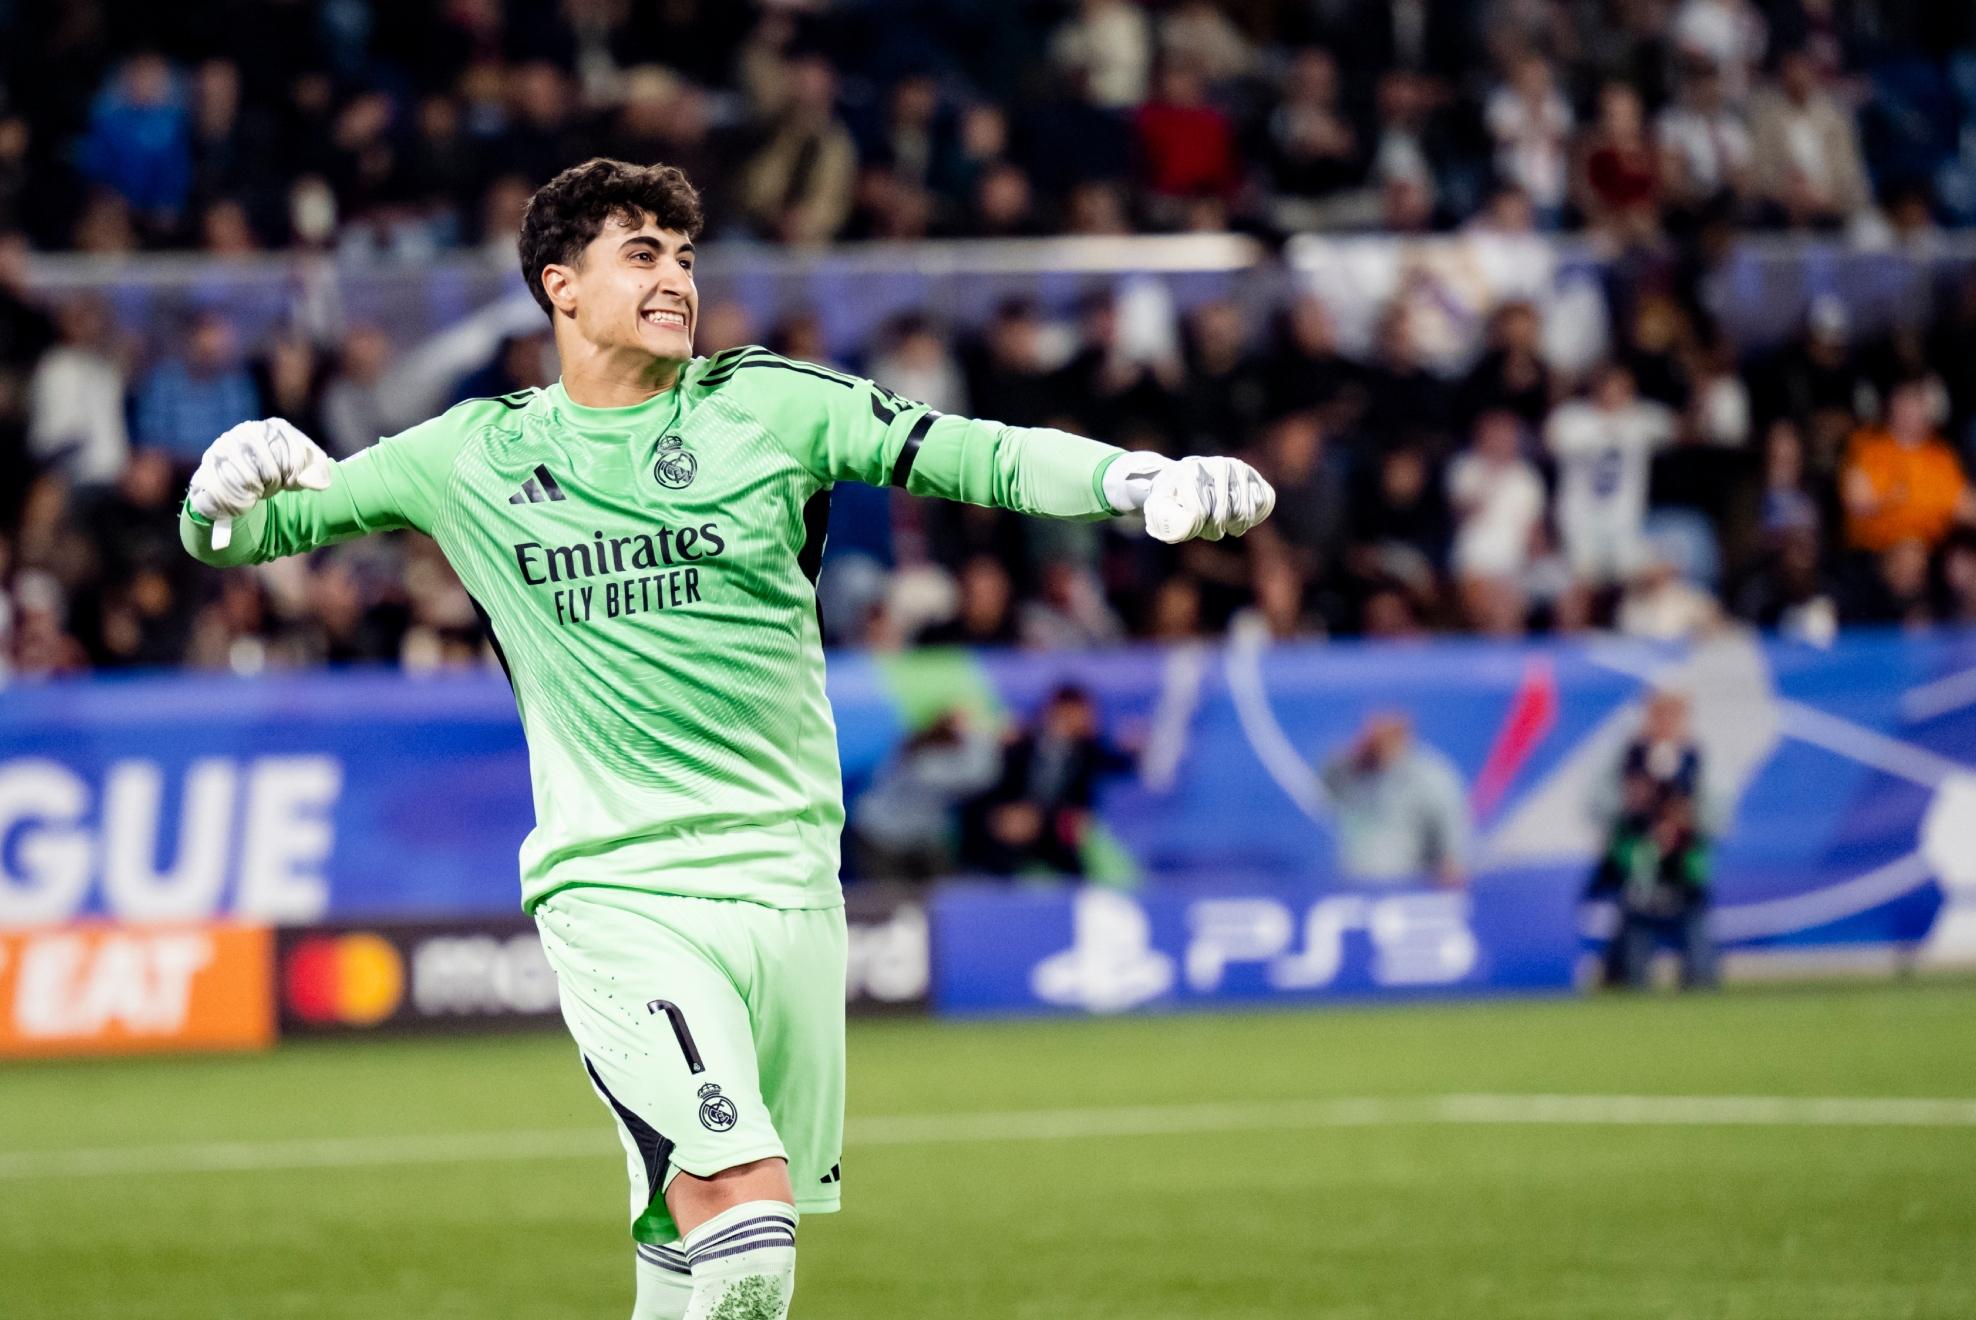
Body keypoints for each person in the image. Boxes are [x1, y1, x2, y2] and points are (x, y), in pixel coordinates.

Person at [178, 158, 1274, 1320]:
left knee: (687, 1247)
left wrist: (1132, 480)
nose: (674, 280)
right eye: (640, 254)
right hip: (619, 891)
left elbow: (974, 453)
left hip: (790, 887)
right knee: (747, 1222)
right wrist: (217, 492)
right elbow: (245, 537)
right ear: (559, 286)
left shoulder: (767, 407)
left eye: (684, 256)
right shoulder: (472, 456)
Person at [1588, 690, 1719, 989]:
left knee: (1700, 972)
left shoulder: (1695, 757)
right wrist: (1636, 817)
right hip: (1639, 861)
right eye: (1660, 715)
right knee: (1632, 972)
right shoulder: (1629, 755)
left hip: (1682, 866)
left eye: (1674, 715)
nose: (1666, 723)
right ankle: (1618, 973)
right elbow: (1599, 802)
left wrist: (1682, 824)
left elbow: (1715, 812)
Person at [1319, 712, 1470, 886]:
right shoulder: (1354, 772)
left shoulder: (1432, 778)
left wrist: (1451, 866)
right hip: (1352, 885)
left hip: (1409, 886)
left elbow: (1453, 839)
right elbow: (1324, 788)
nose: (1379, 742)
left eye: (1386, 736)